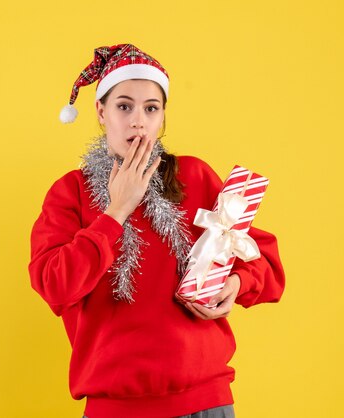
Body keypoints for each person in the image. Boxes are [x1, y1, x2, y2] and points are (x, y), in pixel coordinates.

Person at [28, 44, 285, 418]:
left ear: (162, 116)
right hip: (116, 407)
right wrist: (116, 211)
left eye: (151, 108)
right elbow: (53, 285)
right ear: (100, 111)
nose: (138, 121)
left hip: (206, 402)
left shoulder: (194, 176)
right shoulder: (71, 193)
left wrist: (235, 286)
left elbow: (267, 264)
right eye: (124, 106)